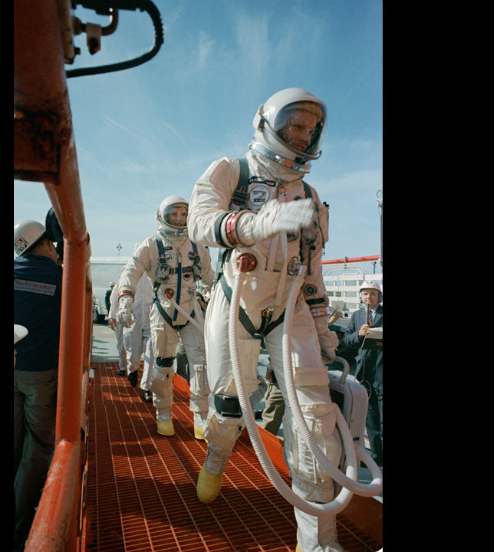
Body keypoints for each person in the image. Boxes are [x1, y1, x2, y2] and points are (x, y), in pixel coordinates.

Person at [188, 88, 344, 552]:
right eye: (293, 124)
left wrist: (322, 329)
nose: (300, 134)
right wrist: (251, 225)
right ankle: (217, 455)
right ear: (268, 124)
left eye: (307, 128)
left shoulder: (311, 197)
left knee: (314, 416)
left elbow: (312, 270)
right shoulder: (231, 170)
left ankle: (318, 540)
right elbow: (200, 222)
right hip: (237, 297)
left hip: (291, 305)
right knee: (229, 399)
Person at [114, 195, 215, 439]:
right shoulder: (152, 245)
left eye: (183, 214)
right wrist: (125, 300)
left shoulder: (198, 245)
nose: (179, 219)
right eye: (174, 215)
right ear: (162, 217)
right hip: (164, 311)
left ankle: (201, 419)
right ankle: (163, 415)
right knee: (162, 366)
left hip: (191, 310)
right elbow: (131, 272)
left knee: (201, 366)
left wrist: (214, 299)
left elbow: (211, 278)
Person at [13, 219, 63, 551]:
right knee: (39, 445)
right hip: (41, 375)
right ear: (44, 243)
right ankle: (19, 520)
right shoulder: (60, 277)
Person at [341, 280, 382, 467]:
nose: (369, 297)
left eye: (373, 293)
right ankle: (376, 454)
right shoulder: (357, 316)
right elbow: (347, 341)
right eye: (365, 294)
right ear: (361, 296)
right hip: (364, 373)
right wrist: (358, 334)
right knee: (370, 415)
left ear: (379, 296)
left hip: (381, 372)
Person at [121, 273, 155, 393]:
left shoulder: (155, 271)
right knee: (134, 354)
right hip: (134, 319)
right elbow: (118, 293)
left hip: (151, 319)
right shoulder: (130, 272)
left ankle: (146, 387)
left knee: (151, 354)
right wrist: (113, 314)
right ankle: (133, 370)